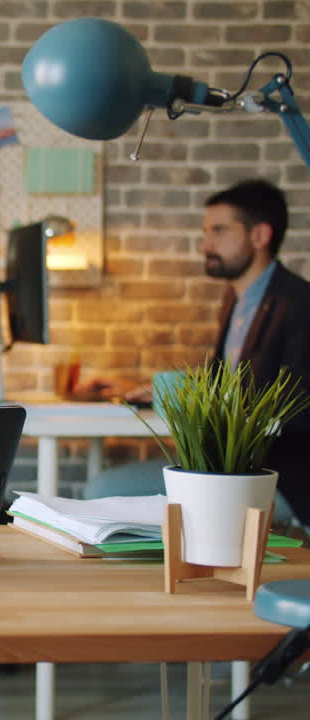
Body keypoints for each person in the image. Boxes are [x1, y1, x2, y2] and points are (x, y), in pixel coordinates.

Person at [88, 179, 310, 527]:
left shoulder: (298, 304)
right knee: (105, 485)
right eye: (206, 232)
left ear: (260, 236)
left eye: (219, 231)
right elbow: (227, 382)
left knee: (103, 488)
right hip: (232, 468)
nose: (205, 245)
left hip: (276, 478)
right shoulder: (236, 301)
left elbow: (295, 407)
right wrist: (154, 388)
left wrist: (183, 396)